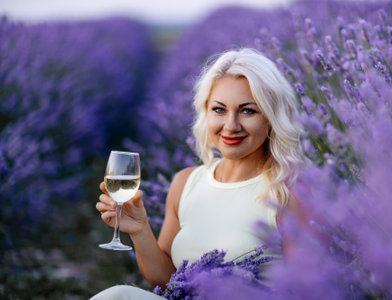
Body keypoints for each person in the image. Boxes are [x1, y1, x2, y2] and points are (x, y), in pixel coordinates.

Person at [91, 48, 304, 299]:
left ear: (271, 117)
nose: (231, 125)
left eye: (248, 111)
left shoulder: (289, 191)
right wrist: (139, 229)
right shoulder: (186, 182)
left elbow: (307, 289)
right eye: (219, 110)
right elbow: (167, 283)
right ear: (205, 112)